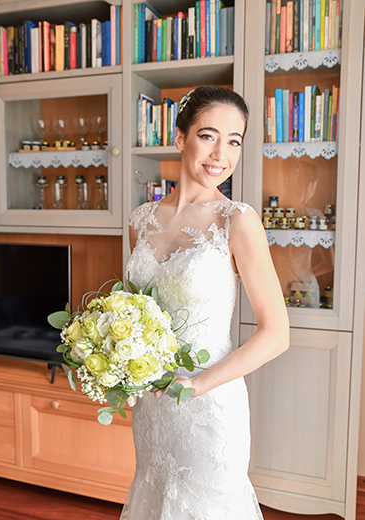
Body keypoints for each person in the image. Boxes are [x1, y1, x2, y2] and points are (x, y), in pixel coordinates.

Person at [121, 85, 290, 520]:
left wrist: (195, 386)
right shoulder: (141, 220)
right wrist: (119, 369)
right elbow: (137, 314)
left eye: (234, 141)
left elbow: (276, 335)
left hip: (208, 408)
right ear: (181, 138)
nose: (221, 154)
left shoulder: (239, 221)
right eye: (209, 135)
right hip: (153, 404)